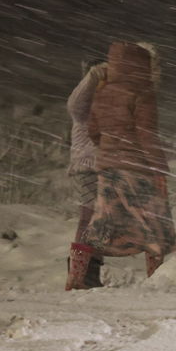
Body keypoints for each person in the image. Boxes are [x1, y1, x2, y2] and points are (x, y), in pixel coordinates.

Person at [72, 41, 176, 285]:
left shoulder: (103, 92)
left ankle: (78, 276)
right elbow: (147, 134)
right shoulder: (142, 93)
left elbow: (94, 131)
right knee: (154, 219)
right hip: (137, 167)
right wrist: (158, 166)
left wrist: (108, 150)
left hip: (108, 168)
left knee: (99, 224)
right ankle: (158, 275)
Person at [64, 56, 107, 289]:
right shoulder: (84, 104)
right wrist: (92, 75)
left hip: (105, 166)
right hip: (87, 166)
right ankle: (81, 273)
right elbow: (74, 104)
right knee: (89, 217)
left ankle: (89, 272)